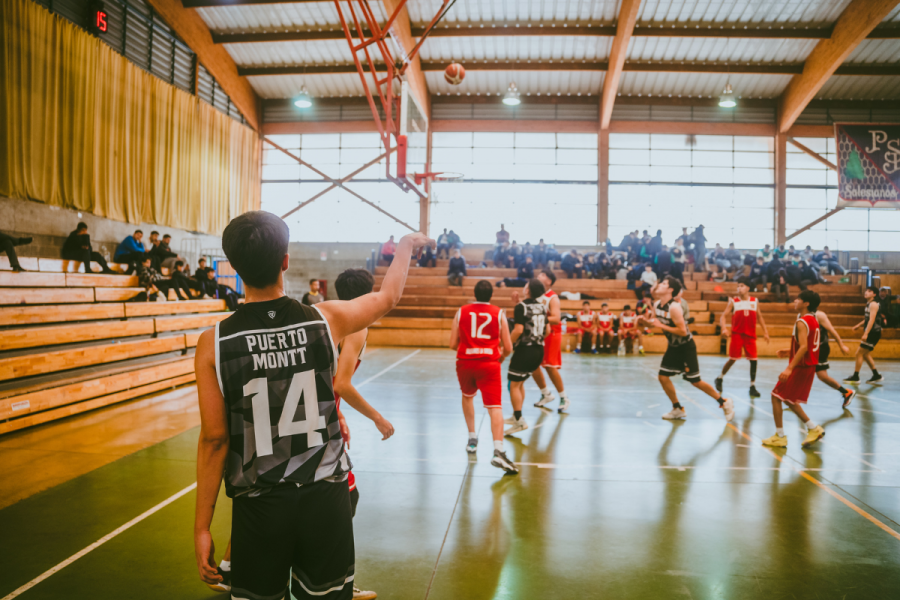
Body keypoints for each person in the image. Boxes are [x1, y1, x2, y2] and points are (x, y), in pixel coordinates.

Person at [193, 211, 432, 598]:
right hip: (325, 495)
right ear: (285, 260)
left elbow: (215, 440)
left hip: (260, 503)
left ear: (233, 267)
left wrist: (203, 527)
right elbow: (388, 297)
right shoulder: (326, 319)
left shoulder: (214, 343)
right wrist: (405, 246)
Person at [640, 276, 734, 422]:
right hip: (673, 347)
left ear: (670, 290)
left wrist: (660, 326)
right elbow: (656, 322)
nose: (659, 285)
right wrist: (646, 322)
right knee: (663, 377)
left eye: (664, 283)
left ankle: (724, 402)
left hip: (686, 347)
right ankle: (677, 408)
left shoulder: (675, 307)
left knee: (695, 381)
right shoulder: (657, 304)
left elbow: (682, 331)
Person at [449, 280, 518, 474]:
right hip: (489, 364)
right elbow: (509, 347)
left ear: (474, 293)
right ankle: (498, 451)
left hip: (465, 363)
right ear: (491, 295)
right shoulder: (499, 313)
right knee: (495, 407)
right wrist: (500, 357)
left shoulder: (461, 311)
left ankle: (472, 438)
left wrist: (468, 348)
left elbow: (452, 343)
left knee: (467, 397)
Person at [762, 291, 826, 448]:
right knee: (788, 399)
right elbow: (807, 345)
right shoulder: (813, 320)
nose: (794, 301)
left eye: (798, 299)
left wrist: (789, 368)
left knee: (776, 396)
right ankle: (812, 428)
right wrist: (789, 350)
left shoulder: (802, 322)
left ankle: (780, 436)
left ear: (806, 303)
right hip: (809, 365)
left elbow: (804, 347)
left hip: (801, 366)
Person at [504, 279, 550, 437]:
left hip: (525, 351)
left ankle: (519, 420)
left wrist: (507, 345)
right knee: (520, 383)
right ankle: (517, 415)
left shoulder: (521, 307)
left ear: (528, 290)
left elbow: (518, 330)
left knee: (513, 385)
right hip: (538, 350)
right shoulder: (542, 307)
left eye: (526, 285)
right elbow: (548, 330)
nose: (524, 287)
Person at [715, 277, 770, 398]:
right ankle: (720, 378)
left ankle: (752, 386)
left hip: (750, 335)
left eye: (742, 286)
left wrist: (765, 331)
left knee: (754, 360)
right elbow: (723, 317)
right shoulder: (733, 301)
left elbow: (760, 317)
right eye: (738, 286)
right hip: (737, 334)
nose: (739, 288)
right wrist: (724, 328)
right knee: (733, 359)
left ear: (748, 288)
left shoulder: (754, 301)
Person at [528, 270, 571, 413]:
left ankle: (564, 397)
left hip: (552, 333)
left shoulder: (552, 298)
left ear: (549, 281)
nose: (539, 276)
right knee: (533, 365)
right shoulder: (535, 295)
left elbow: (556, 318)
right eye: (538, 274)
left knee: (550, 367)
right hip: (539, 333)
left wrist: (538, 318)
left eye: (542, 275)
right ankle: (546, 394)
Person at [813, 309, 856, 409]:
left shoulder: (819, 315)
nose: (795, 301)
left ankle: (846, 392)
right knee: (816, 375)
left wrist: (841, 346)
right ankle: (846, 392)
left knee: (822, 376)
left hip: (820, 349)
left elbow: (832, 330)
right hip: (810, 349)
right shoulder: (801, 315)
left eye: (798, 299)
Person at [844, 286, 885, 385]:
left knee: (859, 353)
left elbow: (872, 320)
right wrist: (858, 325)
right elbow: (867, 318)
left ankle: (856, 376)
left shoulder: (873, 304)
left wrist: (866, 333)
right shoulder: (868, 304)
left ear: (874, 294)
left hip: (873, 333)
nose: (866, 292)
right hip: (872, 332)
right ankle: (876, 375)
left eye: (869, 291)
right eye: (866, 291)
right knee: (865, 354)